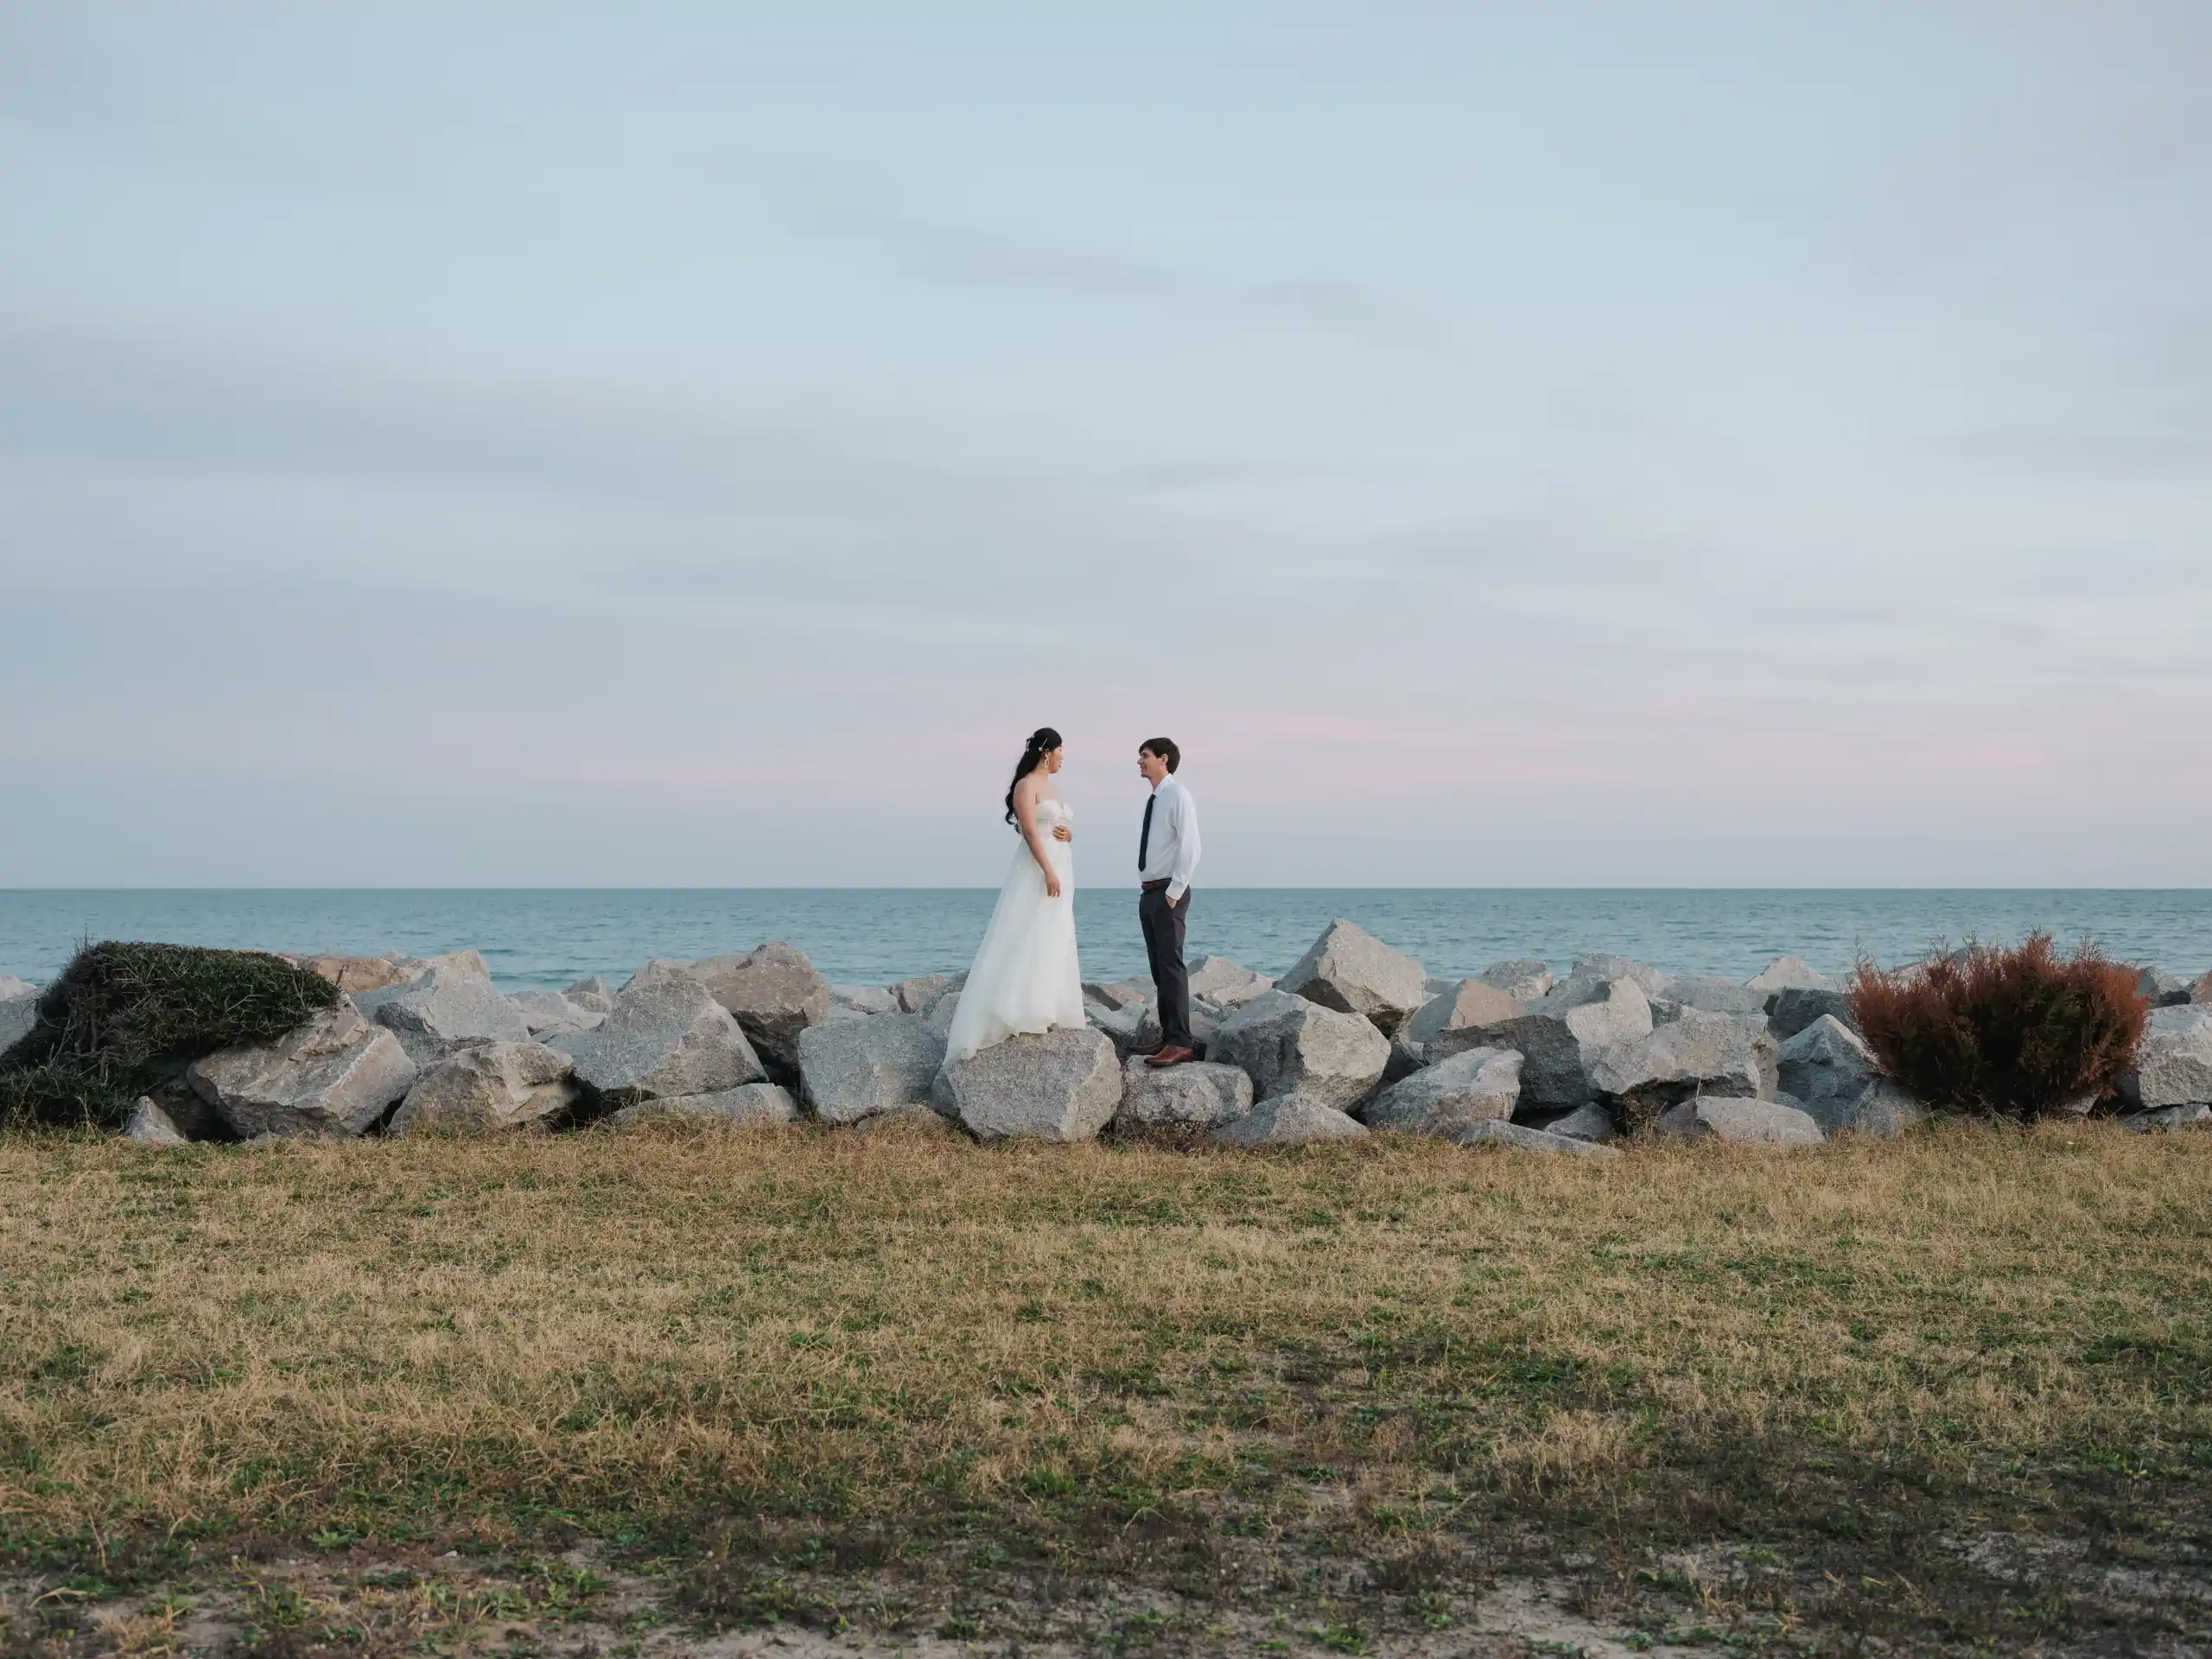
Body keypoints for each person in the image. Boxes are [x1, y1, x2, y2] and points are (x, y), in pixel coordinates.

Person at [941, 727, 1086, 1067]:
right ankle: (1017, 1007)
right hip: (1038, 868)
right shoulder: (1026, 786)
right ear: (1047, 751)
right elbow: (1031, 831)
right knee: (1027, 928)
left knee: (1054, 932)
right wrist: (1048, 870)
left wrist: (1069, 834)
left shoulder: (1052, 787)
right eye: (1061, 750)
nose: (1064, 757)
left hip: (1062, 866)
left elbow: (1055, 827)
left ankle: (1047, 1004)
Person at [1133, 736, 1201, 1067]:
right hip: (1151, 893)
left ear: (1163, 759)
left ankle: (1182, 1042)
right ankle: (1169, 1035)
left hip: (1167, 894)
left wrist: (1174, 892)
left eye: (1144, 755)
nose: (1139, 761)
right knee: (1160, 969)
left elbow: (1191, 846)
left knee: (1172, 967)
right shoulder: (1157, 798)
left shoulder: (1177, 795)